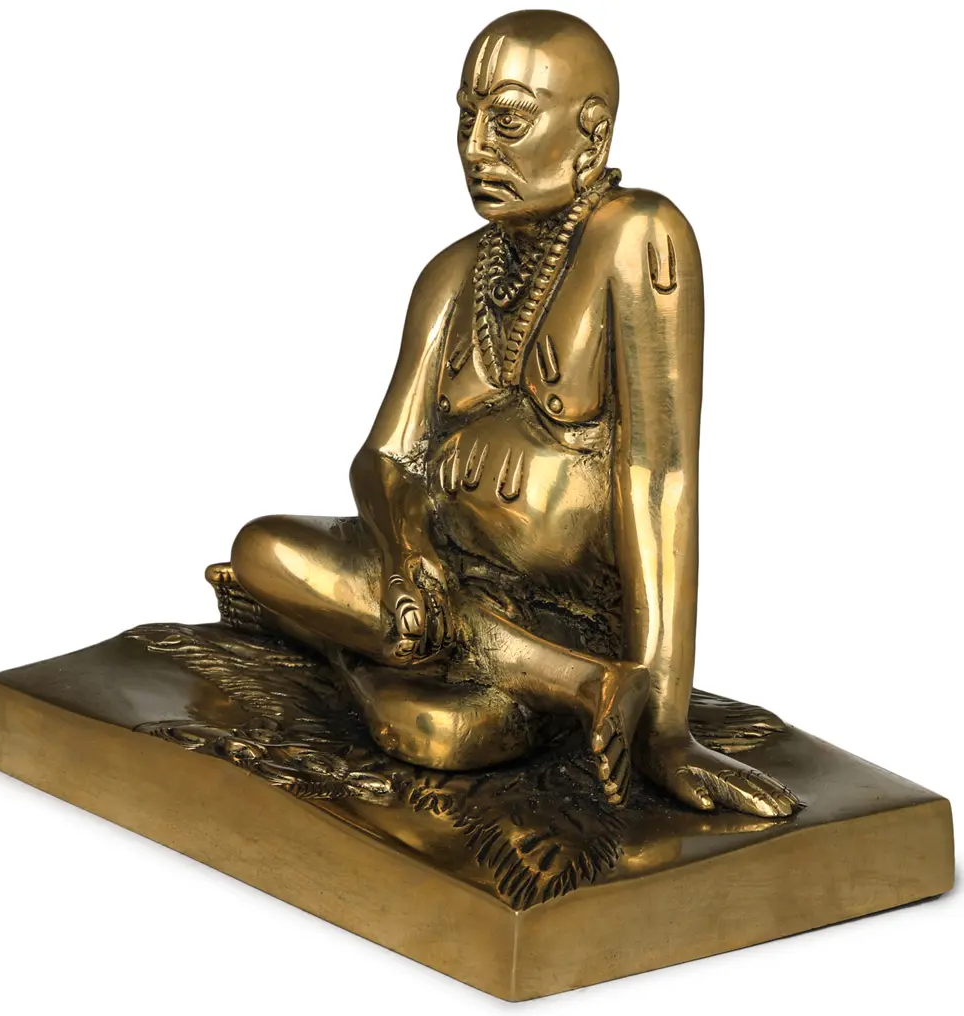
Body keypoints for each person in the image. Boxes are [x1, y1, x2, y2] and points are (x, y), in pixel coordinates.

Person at [225, 10, 798, 817]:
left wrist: (667, 730)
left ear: (591, 136)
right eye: (466, 117)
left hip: (562, 609)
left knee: (439, 732)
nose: (475, 148)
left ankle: (383, 646)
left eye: (509, 121)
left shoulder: (639, 237)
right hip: (432, 572)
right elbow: (386, 457)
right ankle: (575, 688)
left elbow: (659, 479)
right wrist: (409, 551)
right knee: (262, 547)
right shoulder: (451, 274)